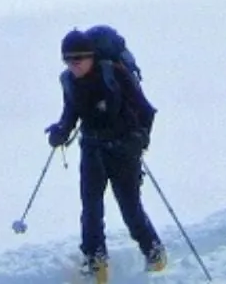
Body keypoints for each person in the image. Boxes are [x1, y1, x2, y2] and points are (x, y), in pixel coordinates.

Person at [46, 29, 166, 277]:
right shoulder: (68, 81)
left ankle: (154, 250)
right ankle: (95, 258)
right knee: (90, 207)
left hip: (123, 147)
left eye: (77, 60)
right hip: (91, 148)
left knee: (130, 207)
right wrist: (61, 131)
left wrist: (140, 138)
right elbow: (71, 112)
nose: (73, 66)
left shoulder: (114, 74)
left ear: (91, 56)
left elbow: (145, 110)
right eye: (68, 61)